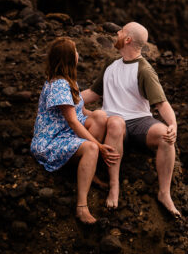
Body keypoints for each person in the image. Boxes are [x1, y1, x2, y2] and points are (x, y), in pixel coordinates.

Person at [80, 21, 180, 217]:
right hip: (114, 123)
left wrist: (173, 125)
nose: (117, 32)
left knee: (164, 136)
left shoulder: (144, 70)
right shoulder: (110, 66)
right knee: (116, 122)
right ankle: (114, 186)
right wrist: (66, 99)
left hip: (140, 122)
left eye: (121, 31)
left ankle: (164, 193)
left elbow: (161, 103)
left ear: (127, 39)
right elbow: (93, 93)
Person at [31, 36, 120, 224]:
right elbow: (73, 122)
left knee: (100, 116)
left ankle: (88, 167)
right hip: (50, 141)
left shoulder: (69, 81)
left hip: (64, 133)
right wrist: (99, 146)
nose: (79, 54)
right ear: (70, 59)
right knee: (92, 148)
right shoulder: (59, 86)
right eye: (75, 51)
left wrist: (113, 118)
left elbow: (82, 111)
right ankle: (81, 206)